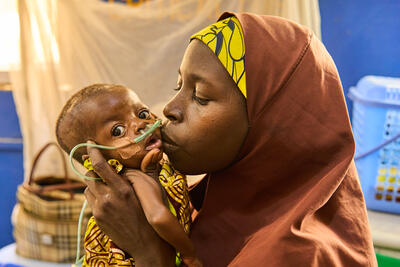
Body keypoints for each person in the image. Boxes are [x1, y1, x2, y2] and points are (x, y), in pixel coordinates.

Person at [83, 12, 377, 266]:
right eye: (179, 85)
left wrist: (148, 252)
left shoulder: (299, 254)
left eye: (200, 96)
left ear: (271, 125)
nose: (170, 110)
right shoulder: (209, 205)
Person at [55, 84, 201, 266]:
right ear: (96, 156)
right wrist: (190, 255)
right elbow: (159, 218)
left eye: (142, 114)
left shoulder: (157, 167)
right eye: (118, 130)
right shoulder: (135, 180)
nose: (140, 124)